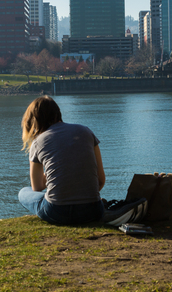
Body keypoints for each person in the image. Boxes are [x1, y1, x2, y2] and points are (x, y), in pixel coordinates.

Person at [18, 96, 106, 225]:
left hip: (57, 212)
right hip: (93, 211)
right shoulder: (86, 131)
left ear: (33, 120)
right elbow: (101, 180)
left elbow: (37, 187)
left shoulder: (38, 142)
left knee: (23, 192)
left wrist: (56, 170)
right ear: (58, 113)